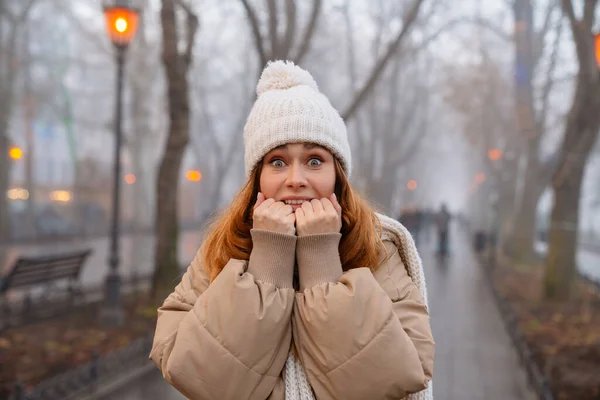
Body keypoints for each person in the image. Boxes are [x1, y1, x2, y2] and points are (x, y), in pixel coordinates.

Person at [149, 61, 434, 400]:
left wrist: (321, 261)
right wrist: (268, 260)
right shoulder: (221, 249)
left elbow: (395, 375)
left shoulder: (377, 247)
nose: (296, 179)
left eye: (314, 160)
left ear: (337, 175)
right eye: (278, 162)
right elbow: (198, 373)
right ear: (257, 177)